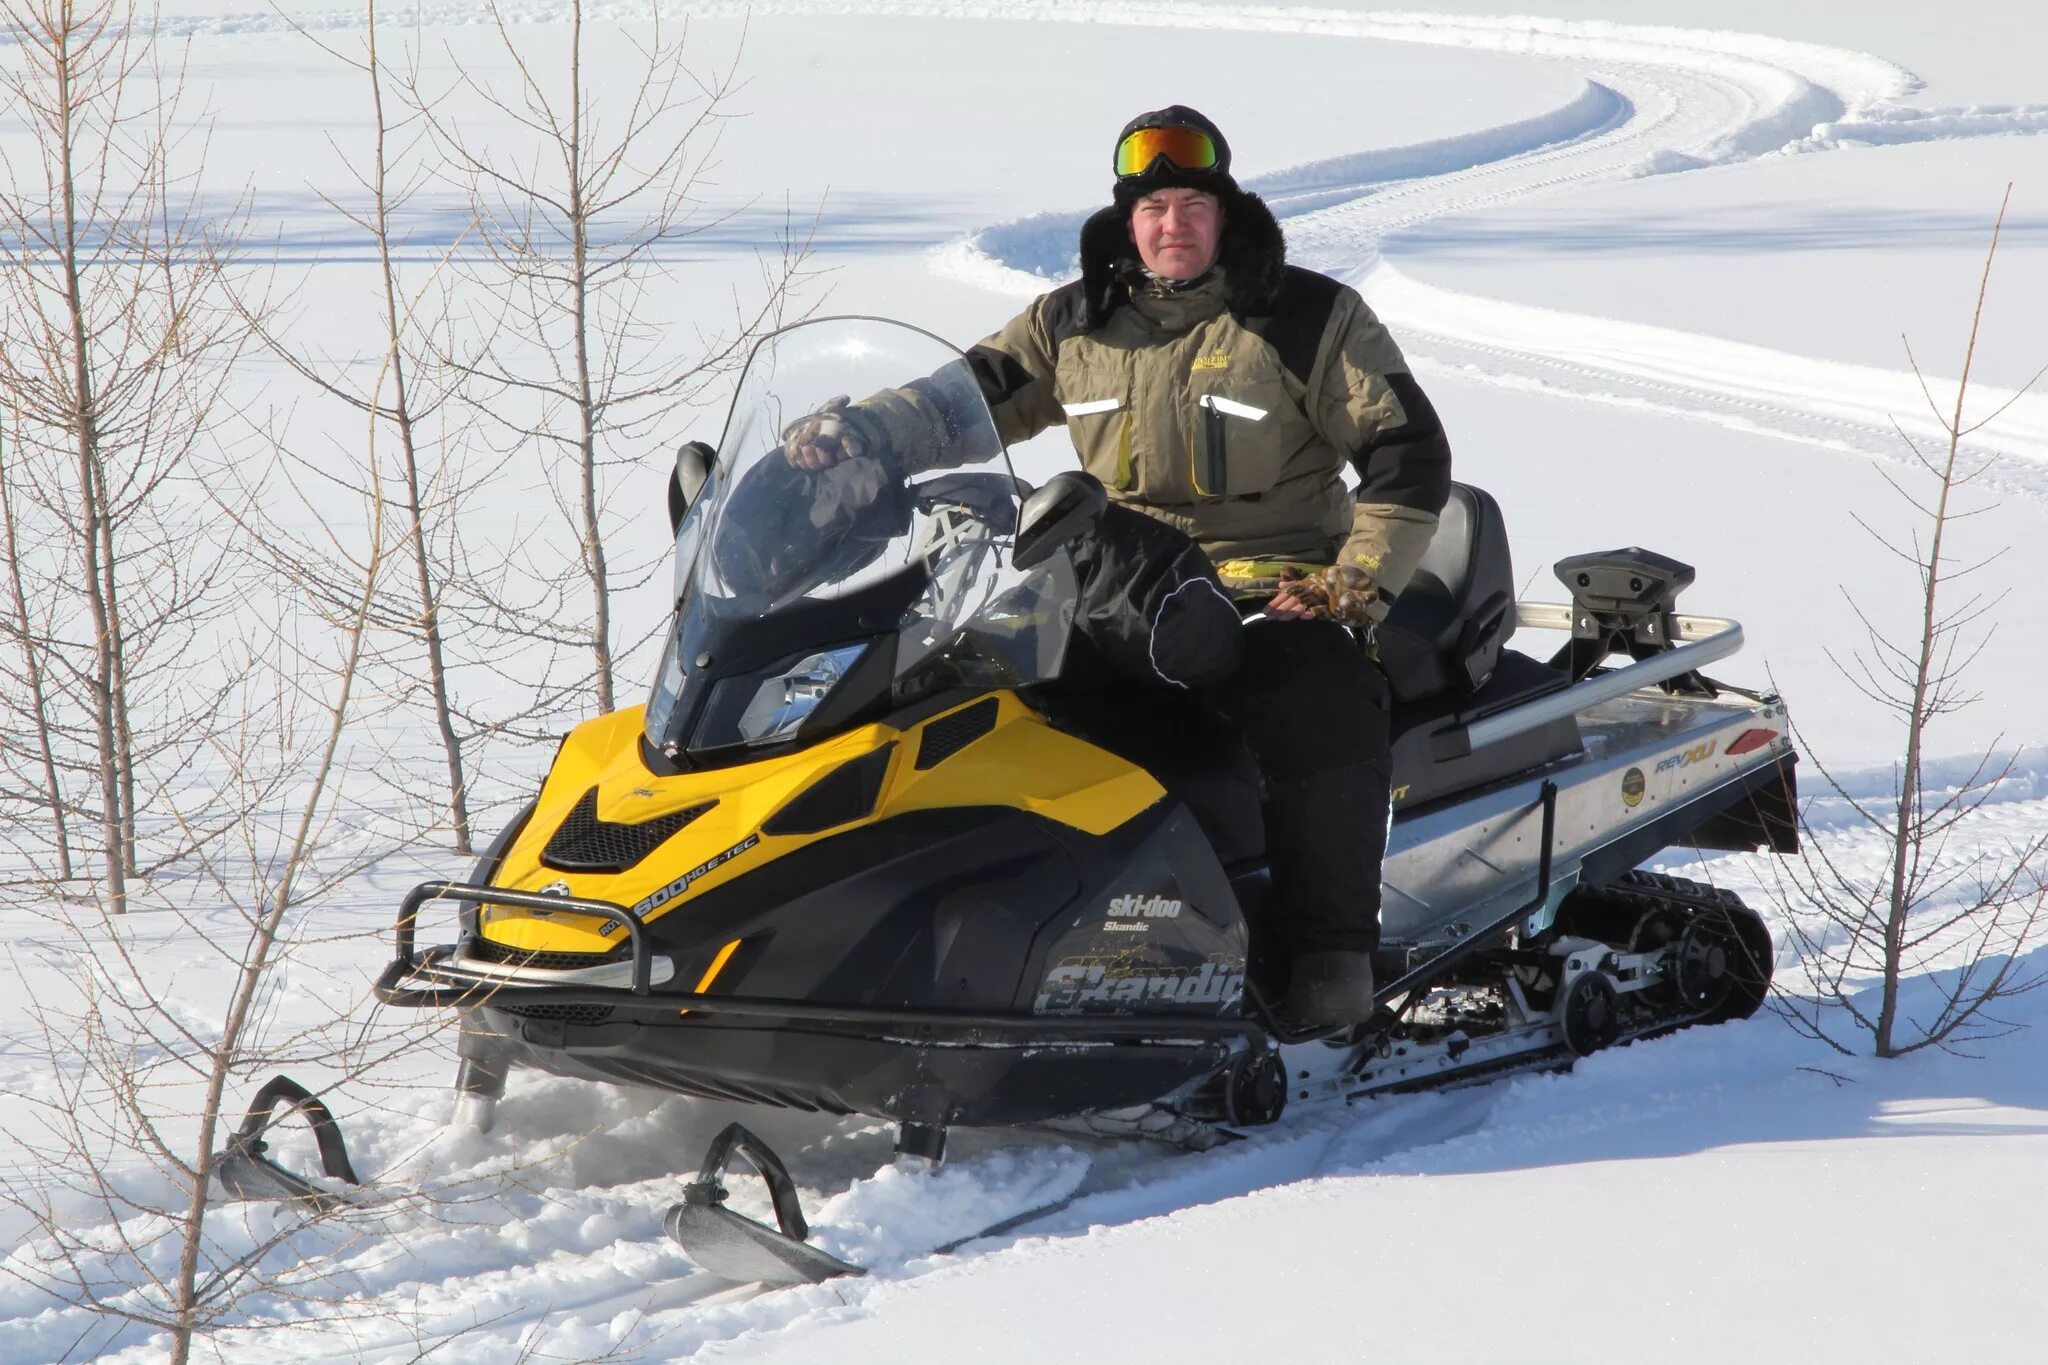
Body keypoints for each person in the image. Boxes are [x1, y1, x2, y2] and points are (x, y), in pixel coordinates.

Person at [783, 107, 1452, 1024]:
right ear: (1126, 221)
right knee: (954, 692)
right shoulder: (1075, 321)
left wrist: (1349, 586)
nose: (1172, 223)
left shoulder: (1306, 317)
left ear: (1225, 212)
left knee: (1317, 690)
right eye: (1153, 207)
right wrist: (860, 430)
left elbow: (1406, 452)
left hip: (1268, 586)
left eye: (1191, 202)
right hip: (1115, 586)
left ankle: (1328, 952)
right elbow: (962, 398)